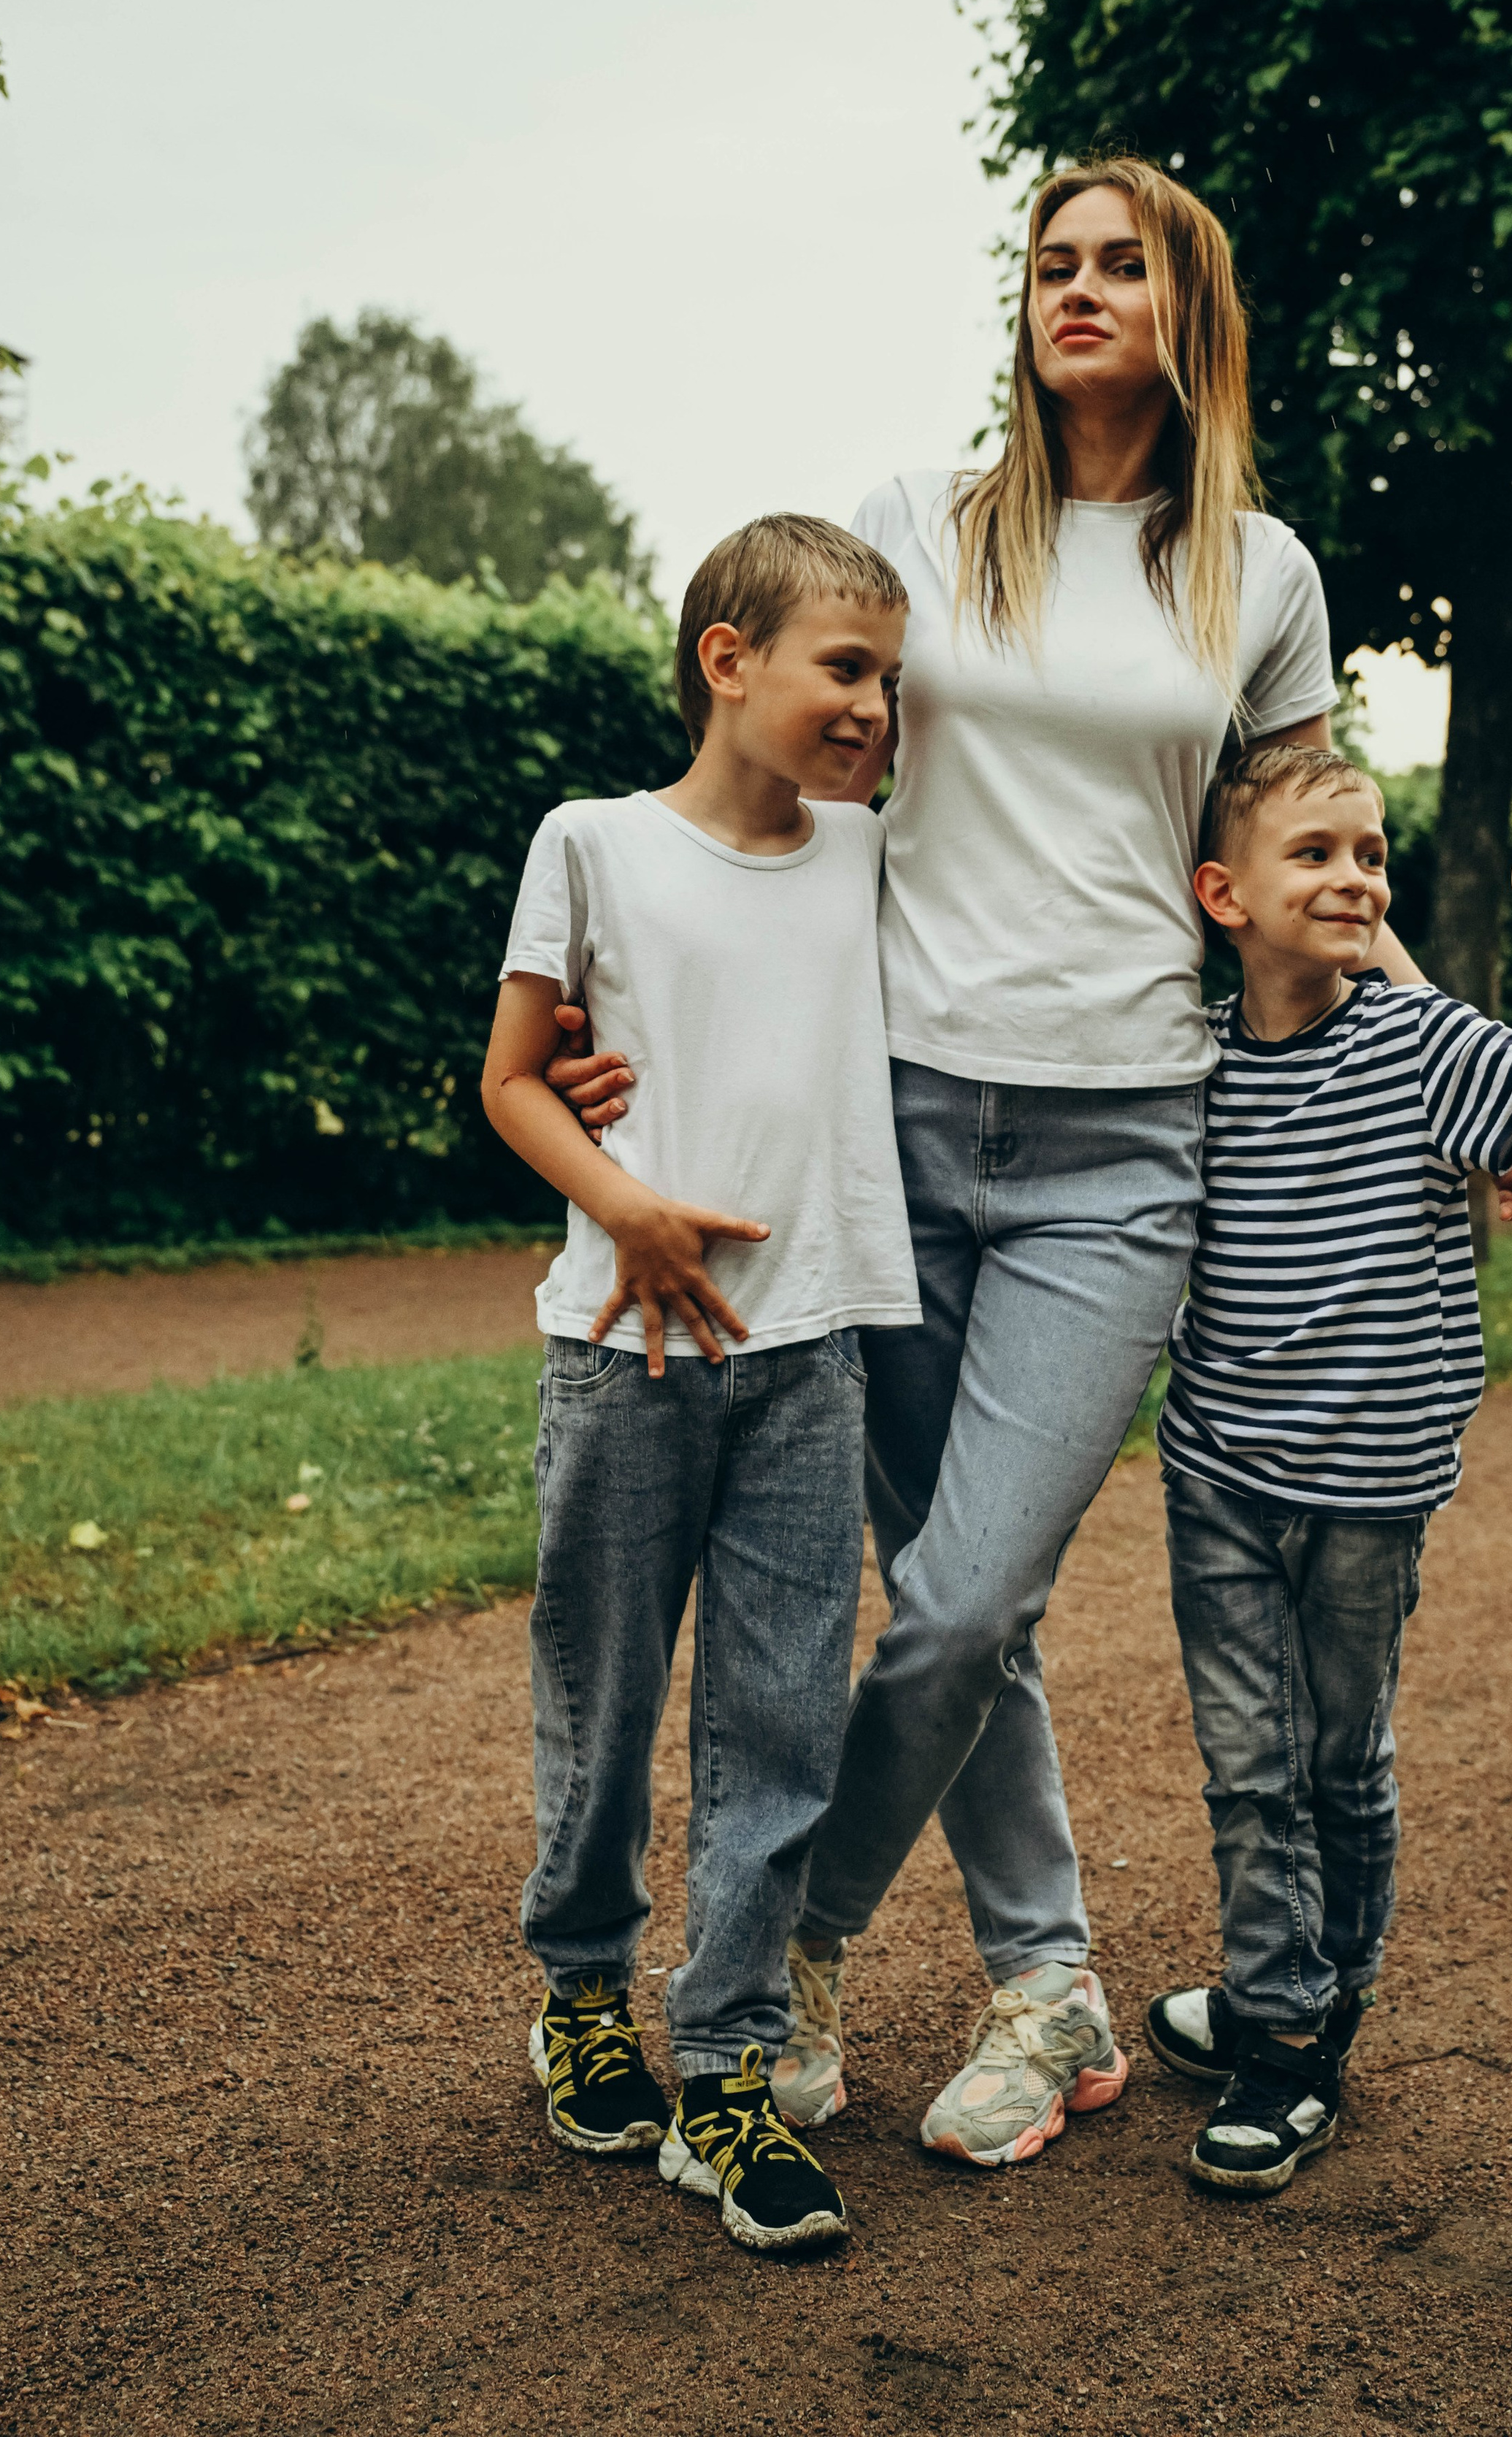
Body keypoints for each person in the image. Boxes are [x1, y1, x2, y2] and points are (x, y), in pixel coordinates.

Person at [545, 156, 1512, 2173]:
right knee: (961, 1609)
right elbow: (775, 783)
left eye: (1122, 264)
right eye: (1050, 263)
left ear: (1190, 308)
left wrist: (1475, 1087)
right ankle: (1052, 1991)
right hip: (893, 1112)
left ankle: (796, 1961)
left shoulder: (1259, 572)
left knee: (956, 1599)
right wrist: (628, 1019)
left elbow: (1310, 874)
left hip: (1126, 1137)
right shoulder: (912, 519)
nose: (1077, 290)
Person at [479, 514, 918, 2254]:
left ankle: (728, 2068)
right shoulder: (588, 843)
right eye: (843, 667)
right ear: (726, 660)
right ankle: (581, 1988)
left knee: (778, 1727)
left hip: (810, 1356)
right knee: (598, 1701)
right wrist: (628, 1209)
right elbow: (515, 1081)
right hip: (624, 1352)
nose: (874, 707)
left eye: (889, 678)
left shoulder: (869, 856)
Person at [1144, 743, 1512, 2194]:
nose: (1354, 878)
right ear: (1219, 893)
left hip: (1371, 1488)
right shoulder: (1188, 1056)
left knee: (1332, 1761)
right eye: (1314, 854)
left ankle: (1307, 1994)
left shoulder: (1424, 1045)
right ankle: (1285, 2034)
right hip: (1218, 1474)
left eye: (1367, 854)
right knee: (1250, 1774)